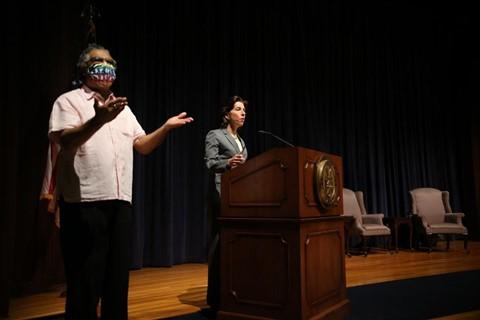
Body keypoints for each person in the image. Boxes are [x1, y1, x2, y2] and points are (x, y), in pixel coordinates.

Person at [44, 43, 193, 319]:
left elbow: (143, 145)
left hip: (120, 203)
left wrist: (165, 127)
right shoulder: (68, 101)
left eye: (110, 62)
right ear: (84, 68)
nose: (106, 67)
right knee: (85, 282)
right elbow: (64, 139)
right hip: (84, 203)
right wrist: (97, 120)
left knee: (116, 282)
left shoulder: (123, 108)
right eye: (99, 61)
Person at [203, 95, 248, 314]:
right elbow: (210, 163)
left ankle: (233, 291)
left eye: (244, 110)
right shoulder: (215, 135)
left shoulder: (242, 141)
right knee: (219, 243)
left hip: (239, 198)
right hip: (221, 195)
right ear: (226, 114)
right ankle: (215, 297)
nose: (243, 113)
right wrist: (228, 163)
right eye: (238, 109)